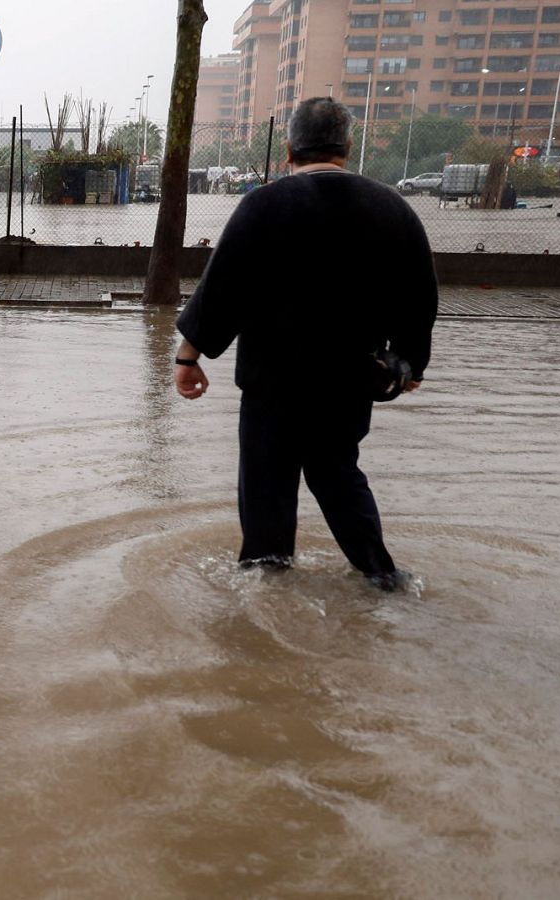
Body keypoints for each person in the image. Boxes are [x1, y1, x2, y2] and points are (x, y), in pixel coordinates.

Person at [172, 97, 438, 593]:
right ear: (348, 147)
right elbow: (420, 297)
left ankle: (264, 589)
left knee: (266, 490)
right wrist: (410, 361)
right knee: (339, 477)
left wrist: (189, 356)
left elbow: (222, 287)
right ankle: (383, 577)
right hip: (350, 380)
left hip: (272, 383)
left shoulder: (263, 205)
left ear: (289, 148)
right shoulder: (392, 209)